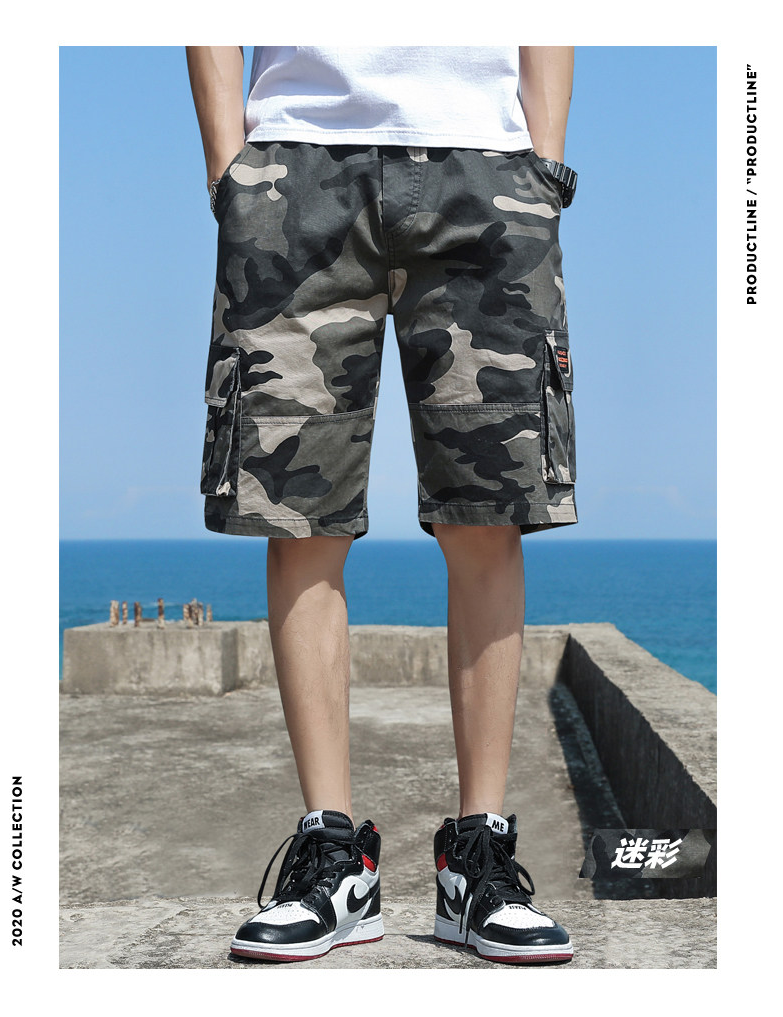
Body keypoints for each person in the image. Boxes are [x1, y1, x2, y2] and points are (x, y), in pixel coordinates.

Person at [187, 45, 578, 965]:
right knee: (298, 521)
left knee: (488, 517)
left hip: (489, 164)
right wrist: (227, 164)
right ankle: (334, 859)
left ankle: (477, 860)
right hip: (294, 160)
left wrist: (543, 160)